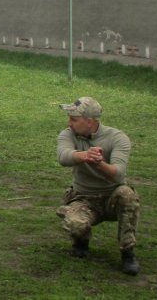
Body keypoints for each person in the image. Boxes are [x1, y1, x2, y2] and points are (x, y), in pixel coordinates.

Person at [55, 97, 141, 275]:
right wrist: (85, 155)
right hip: (83, 198)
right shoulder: (67, 134)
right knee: (75, 224)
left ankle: (128, 252)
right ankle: (81, 240)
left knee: (127, 194)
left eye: (73, 119)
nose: (69, 123)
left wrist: (99, 163)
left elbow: (118, 173)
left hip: (111, 197)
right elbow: (63, 157)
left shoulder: (117, 138)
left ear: (90, 121)